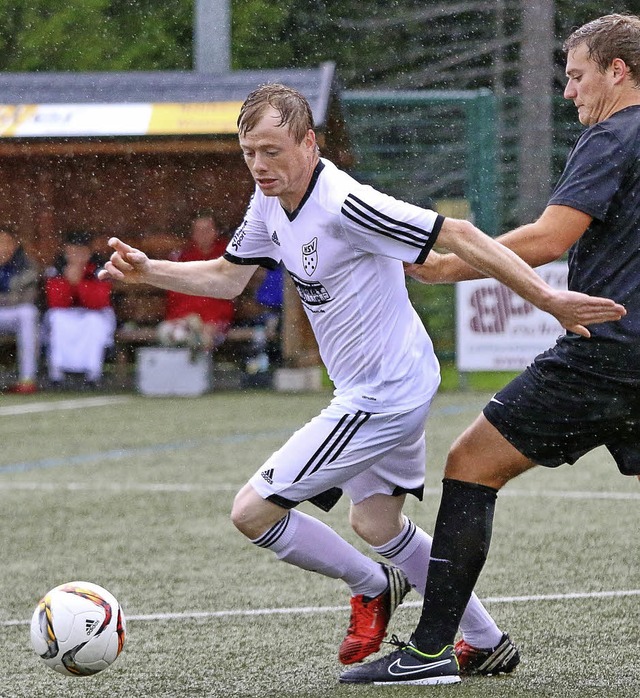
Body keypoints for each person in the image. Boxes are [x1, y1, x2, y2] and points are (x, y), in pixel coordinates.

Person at [99, 83, 623, 675]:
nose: (260, 166)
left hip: (385, 394)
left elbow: (459, 236)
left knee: (252, 511)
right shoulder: (268, 202)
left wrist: (548, 299)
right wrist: (149, 271)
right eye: (249, 152)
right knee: (375, 521)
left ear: (308, 141)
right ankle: (484, 639)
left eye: (272, 150)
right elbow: (227, 278)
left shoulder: (345, 202)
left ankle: (373, 585)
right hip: (387, 382)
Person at [339, 13, 637, 686]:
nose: (569, 92)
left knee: (471, 462)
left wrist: (453, 263)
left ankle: (431, 651)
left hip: (608, 350)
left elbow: (548, 239)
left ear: (618, 72)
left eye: (577, 75)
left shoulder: (613, 134)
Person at [43, 231, 115, 387]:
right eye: (71, 252)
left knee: (94, 322)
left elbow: (98, 302)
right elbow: (56, 302)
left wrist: (79, 283)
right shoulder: (56, 269)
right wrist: (69, 282)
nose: (75, 256)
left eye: (80, 252)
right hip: (66, 313)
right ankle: (57, 374)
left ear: (89, 252)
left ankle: (93, 374)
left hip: (94, 313)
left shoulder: (99, 269)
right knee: (57, 319)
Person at [156, 210, 235, 352]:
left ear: (215, 232)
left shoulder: (227, 256)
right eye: (198, 230)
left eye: (206, 230)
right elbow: (175, 294)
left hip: (214, 320)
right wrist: (185, 318)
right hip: (184, 319)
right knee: (171, 334)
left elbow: (227, 294)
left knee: (202, 339)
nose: (202, 235)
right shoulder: (183, 257)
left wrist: (211, 321)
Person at [0, 226, 40, 394]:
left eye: (6, 242)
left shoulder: (27, 266)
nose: (2, 247)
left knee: (28, 313)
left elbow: (28, 298)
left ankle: (27, 379)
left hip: (13, 314)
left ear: (15, 245)